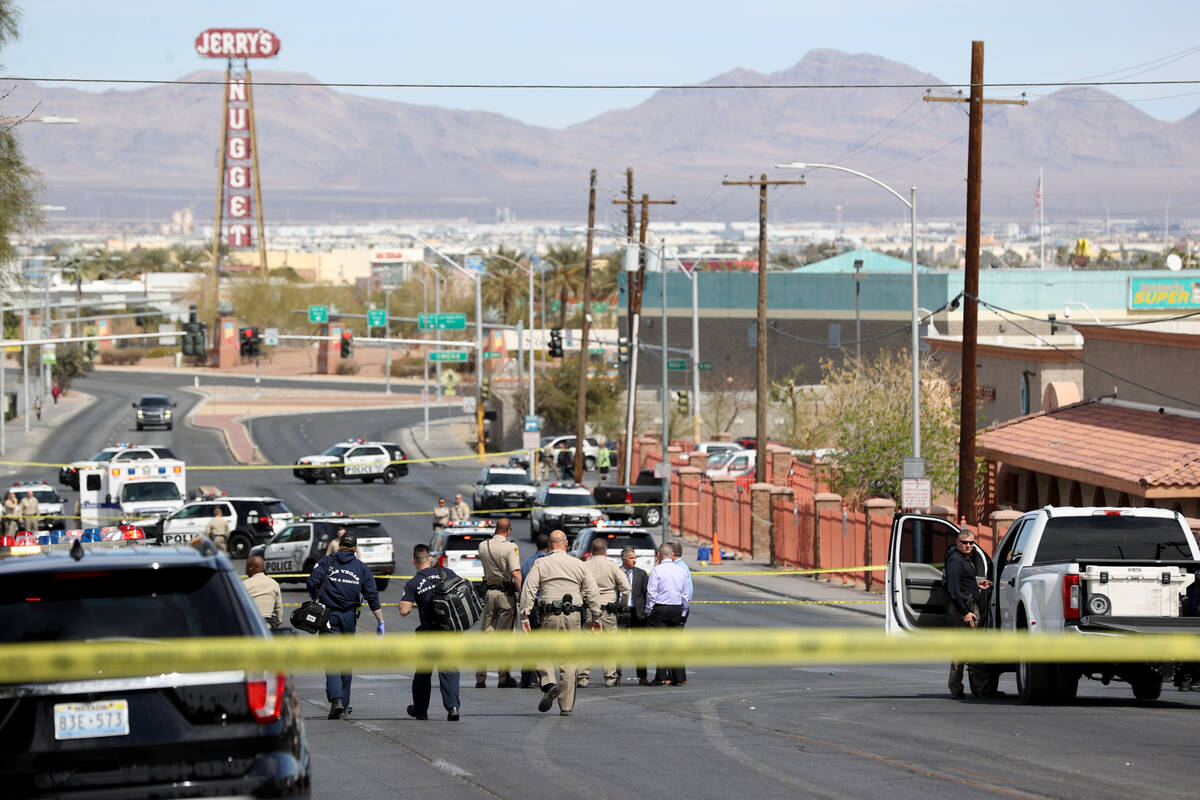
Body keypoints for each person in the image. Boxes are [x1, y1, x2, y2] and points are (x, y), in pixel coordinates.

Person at [518, 530, 601, 716]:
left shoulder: (541, 563)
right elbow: (592, 592)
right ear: (565, 544)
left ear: (549, 545)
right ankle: (566, 706)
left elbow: (528, 590)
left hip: (549, 615)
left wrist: (525, 615)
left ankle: (549, 683)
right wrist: (596, 617)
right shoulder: (578, 564)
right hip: (574, 615)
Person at [306, 533, 386, 719]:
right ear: (355, 548)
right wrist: (380, 621)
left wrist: (317, 598)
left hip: (328, 616)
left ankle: (337, 700)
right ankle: (344, 703)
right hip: (349, 618)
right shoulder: (361, 568)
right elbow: (372, 596)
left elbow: (311, 582)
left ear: (340, 546)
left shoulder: (327, 562)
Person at [399, 543, 462, 721]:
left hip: (429, 632)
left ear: (413, 561)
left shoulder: (414, 582)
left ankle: (420, 710)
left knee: (423, 671)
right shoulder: (447, 573)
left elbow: (404, 611)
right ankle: (453, 707)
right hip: (450, 630)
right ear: (431, 559)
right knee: (449, 668)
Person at [944, 530, 999, 699]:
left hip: (967, 605)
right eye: (965, 542)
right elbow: (953, 590)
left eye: (971, 543)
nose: (968, 545)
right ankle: (982, 689)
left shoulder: (965, 560)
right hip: (964, 608)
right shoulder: (955, 561)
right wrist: (965, 612)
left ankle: (956, 688)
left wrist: (977, 585)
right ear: (957, 542)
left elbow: (962, 582)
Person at [475, 517, 522, 688]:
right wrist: (523, 595)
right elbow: (515, 574)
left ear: (496, 528)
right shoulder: (510, 548)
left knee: (486, 634)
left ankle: (480, 677)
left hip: (489, 592)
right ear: (508, 530)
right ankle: (503, 677)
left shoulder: (483, 546)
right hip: (505, 595)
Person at [578, 538, 630, 688]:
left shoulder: (584, 565)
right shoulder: (612, 566)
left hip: (589, 608)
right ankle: (610, 677)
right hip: (608, 610)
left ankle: (582, 678)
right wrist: (621, 604)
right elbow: (626, 588)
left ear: (592, 550)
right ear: (605, 551)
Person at [645, 543, 690, 686]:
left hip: (660, 609)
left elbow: (651, 593)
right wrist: (683, 612)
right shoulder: (680, 570)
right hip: (676, 609)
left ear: (659, 555)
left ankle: (660, 677)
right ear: (672, 555)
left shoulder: (657, 570)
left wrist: (648, 610)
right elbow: (685, 594)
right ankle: (677, 677)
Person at [518, 532, 551, 688]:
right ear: (549, 546)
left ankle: (527, 677)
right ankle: (540, 677)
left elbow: (524, 585)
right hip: (543, 606)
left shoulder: (527, 563)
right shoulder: (547, 562)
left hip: (530, 606)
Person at [616, 546, 650, 685]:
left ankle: (642, 676)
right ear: (623, 559)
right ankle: (616, 675)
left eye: (635, 558)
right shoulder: (616, 573)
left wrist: (646, 612)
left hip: (637, 614)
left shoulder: (641, 574)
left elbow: (645, 594)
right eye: (631, 558)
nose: (634, 561)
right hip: (621, 613)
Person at [669, 540, 693, 685]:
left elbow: (687, 592)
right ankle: (677, 676)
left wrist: (682, 611)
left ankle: (677, 676)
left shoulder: (680, 568)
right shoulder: (678, 566)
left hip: (677, 608)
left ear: (672, 554)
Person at [243, 555, 284, 629]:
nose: (245, 570)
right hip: (269, 626)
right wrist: (278, 624)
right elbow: (279, 608)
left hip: (251, 625)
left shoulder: (245, 585)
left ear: (251, 568)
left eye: (246, 567)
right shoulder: (274, 583)